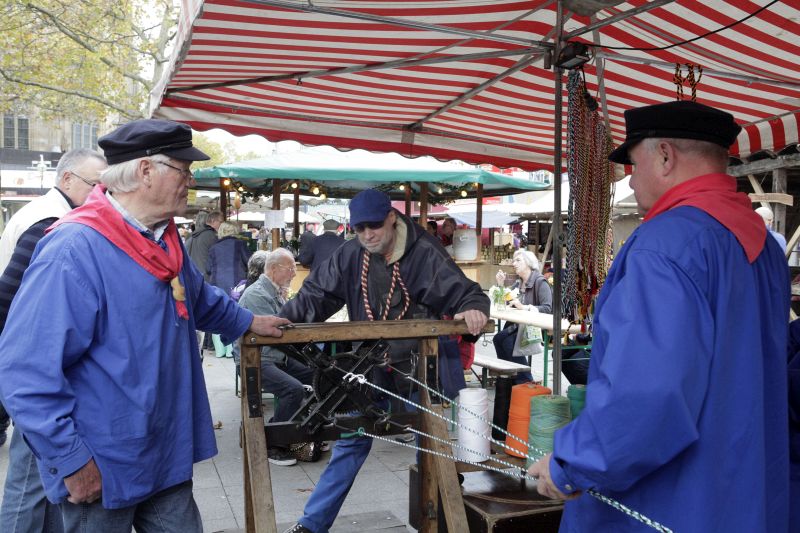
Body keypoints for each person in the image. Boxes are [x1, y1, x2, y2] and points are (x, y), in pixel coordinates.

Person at [0, 119, 290, 533]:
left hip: (163, 452)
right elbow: (25, 372)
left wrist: (247, 320)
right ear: (145, 171)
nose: (190, 179)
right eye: (182, 169)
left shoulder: (163, 239)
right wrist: (70, 460)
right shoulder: (73, 249)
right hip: (104, 462)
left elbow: (199, 298)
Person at [529, 101, 789, 532]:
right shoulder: (764, 247)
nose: (630, 180)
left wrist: (571, 463)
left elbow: (646, 395)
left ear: (665, 156)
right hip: (746, 496)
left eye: (633, 165)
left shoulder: (664, 245)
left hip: (668, 504)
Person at [280, 188, 489, 533]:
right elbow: (316, 295)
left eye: (374, 226)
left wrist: (474, 308)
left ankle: (438, 516)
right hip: (367, 367)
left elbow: (465, 292)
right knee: (351, 439)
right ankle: (312, 525)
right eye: (359, 228)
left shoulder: (423, 251)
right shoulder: (350, 254)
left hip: (421, 368)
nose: (367, 235)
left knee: (431, 447)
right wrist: (280, 322)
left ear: (392, 218)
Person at [0, 148, 107, 533]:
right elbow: (10, 299)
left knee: (37, 482)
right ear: (67, 179)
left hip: (28, 369)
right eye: (96, 185)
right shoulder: (53, 222)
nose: (101, 194)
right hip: (33, 374)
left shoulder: (50, 215)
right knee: (29, 480)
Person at [239, 248, 315, 467]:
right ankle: (274, 442)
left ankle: (297, 431)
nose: (294, 273)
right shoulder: (257, 295)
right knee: (293, 389)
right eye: (290, 268)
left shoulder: (273, 290)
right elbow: (277, 332)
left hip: (276, 355)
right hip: (256, 359)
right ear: (273, 269)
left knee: (318, 375)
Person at [493, 249, 552, 384]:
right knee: (497, 338)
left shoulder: (540, 282)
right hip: (517, 325)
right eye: (514, 261)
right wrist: (500, 284)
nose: (514, 263)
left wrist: (524, 307)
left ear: (529, 263)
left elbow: (547, 308)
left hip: (534, 327)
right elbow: (505, 301)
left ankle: (525, 380)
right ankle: (508, 376)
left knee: (508, 342)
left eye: (518, 260)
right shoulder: (519, 283)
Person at [207, 221, 252, 357]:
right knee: (234, 314)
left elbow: (208, 269)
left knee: (219, 316)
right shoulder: (240, 244)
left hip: (217, 285)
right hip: (237, 285)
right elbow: (249, 262)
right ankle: (230, 350)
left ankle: (220, 351)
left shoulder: (213, 248)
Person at [186, 209, 223, 280]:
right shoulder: (211, 235)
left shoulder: (192, 235)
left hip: (193, 275)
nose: (221, 225)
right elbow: (218, 259)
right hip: (206, 277)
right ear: (213, 220)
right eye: (220, 222)